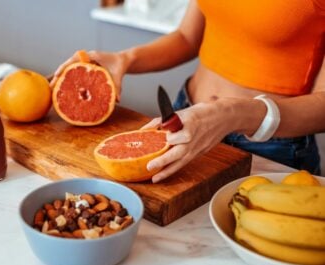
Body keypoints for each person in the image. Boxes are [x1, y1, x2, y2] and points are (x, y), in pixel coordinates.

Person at [52, 0, 325, 183]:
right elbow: (187, 37)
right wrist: (125, 59)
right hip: (186, 116)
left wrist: (233, 113)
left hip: (271, 145)